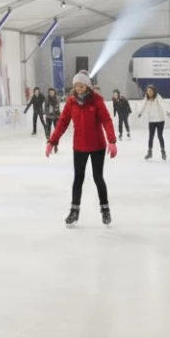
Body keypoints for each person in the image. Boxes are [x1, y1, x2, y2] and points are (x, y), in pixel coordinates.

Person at [47, 72, 117, 227]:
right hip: (79, 147)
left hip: (97, 146)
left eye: (81, 85)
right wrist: (52, 141)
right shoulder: (71, 102)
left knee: (98, 178)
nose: (78, 88)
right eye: (76, 85)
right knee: (78, 179)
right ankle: (74, 211)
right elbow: (62, 122)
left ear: (87, 86)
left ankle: (105, 210)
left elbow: (106, 120)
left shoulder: (96, 100)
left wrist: (111, 141)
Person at [138, 84, 167, 161]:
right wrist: (140, 112)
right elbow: (143, 105)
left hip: (160, 120)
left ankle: (163, 151)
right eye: (148, 91)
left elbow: (163, 104)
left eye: (151, 91)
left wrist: (167, 111)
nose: (149, 92)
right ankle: (149, 152)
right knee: (151, 136)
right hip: (151, 121)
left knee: (160, 136)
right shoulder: (146, 98)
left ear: (154, 91)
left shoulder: (158, 97)